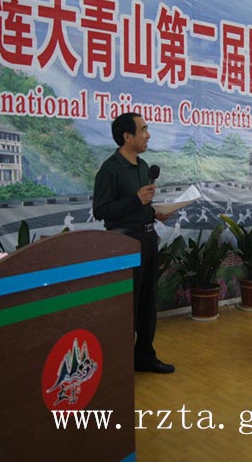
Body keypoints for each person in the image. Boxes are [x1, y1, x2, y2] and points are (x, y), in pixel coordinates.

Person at [93, 112, 174, 374]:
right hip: (124, 243)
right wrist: (135, 200)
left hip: (147, 238)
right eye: (143, 130)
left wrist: (155, 212)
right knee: (127, 304)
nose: (148, 135)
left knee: (148, 302)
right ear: (127, 137)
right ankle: (119, 362)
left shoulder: (143, 166)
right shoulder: (110, 169)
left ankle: (145, 356)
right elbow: (101, 210)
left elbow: (141, 205)